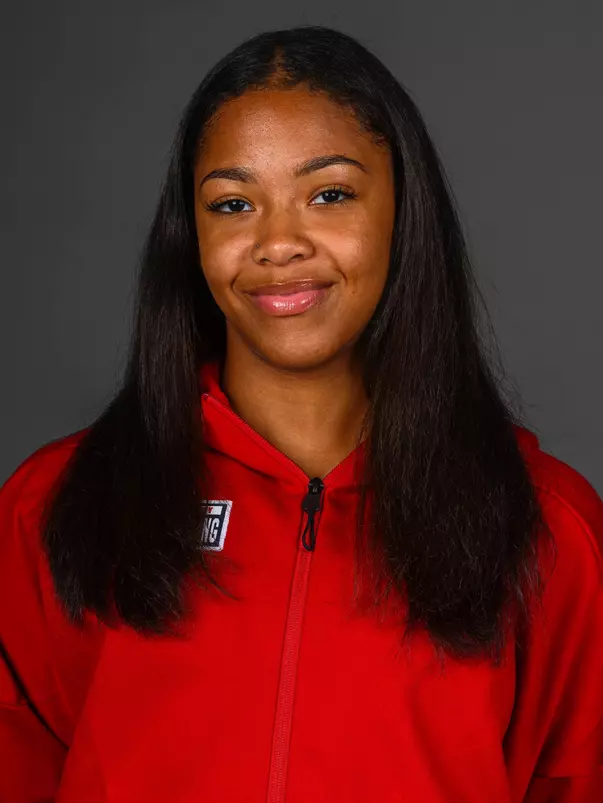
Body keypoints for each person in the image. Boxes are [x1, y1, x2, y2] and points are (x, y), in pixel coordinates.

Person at [0, 24, 601, 803]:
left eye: (329, 193)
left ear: (401, 211)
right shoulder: (56, 506)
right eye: (232, 202)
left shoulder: (546, 529)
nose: (277, 242)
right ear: (192, 235)